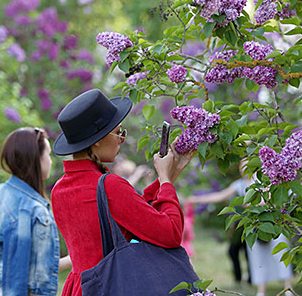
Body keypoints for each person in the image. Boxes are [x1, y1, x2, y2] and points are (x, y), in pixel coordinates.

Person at [51, 89, 195, 296]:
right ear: (97, 140)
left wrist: (167, 178)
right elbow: (171, 233)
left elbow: (129, 214)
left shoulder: (59, 189)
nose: (121, 139)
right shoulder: (109, 185)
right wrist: (165, 181)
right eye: (118, 132)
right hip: (114, 285)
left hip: (80, 288)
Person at [0, 127, 69, 296]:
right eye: (47, 154)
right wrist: (75, 259)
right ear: (35, 159)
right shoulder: (37, 212)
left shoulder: (0, 194)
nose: (50, 161)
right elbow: (39, 277)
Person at [189, 160, 293, 296]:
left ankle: (288, 288)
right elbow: (220, 196)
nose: (243, 169)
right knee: (257, 258)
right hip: (255, 227)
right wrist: (196, 200)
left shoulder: (263, 181)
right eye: (241, 167)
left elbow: (271, 199)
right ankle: (261, 291)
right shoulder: (239, 185)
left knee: (281, 254)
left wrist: (254, 204)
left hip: (274, 225)